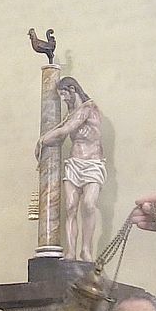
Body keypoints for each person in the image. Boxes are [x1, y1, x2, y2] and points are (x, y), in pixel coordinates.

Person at [36, 77, 104, 262]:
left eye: (65, 95)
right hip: (74, 163)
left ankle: (86, 250)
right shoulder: (72, 112)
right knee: (71, 207)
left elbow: (67, 129)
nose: (64, 99)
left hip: (92, 163)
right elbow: (62, 131)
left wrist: (42, 140)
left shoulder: (88, 108)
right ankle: (70, 252)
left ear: (73, 89)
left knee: (89, 204)